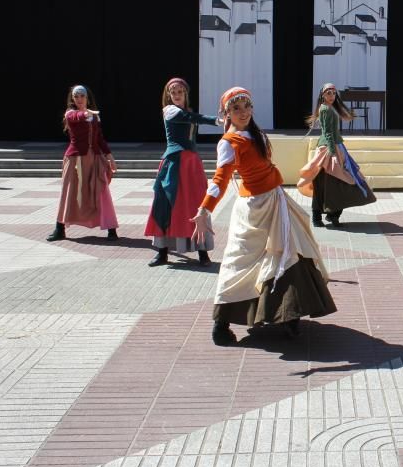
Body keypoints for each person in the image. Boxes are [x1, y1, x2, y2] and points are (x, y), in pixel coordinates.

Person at [192, 87, 336, 346]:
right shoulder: (228, 142)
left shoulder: (256, 134)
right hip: (253, 209)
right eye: (236, 108)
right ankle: (221, 322)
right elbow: (220, 180)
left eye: (246, 106)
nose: (243, 112)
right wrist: (204, 209)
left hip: (276, 201)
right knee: (241, 260)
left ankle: (289, 315)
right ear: (226, 113)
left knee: (291, 252)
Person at [145, 77, 222, 268]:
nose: (177, 94)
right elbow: (190, 119)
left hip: (191, 165)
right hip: (173, 163)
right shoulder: (170, 111)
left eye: (180, 91)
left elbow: (191, 117)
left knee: (197, 205)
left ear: (185, 93)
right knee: (166, 204)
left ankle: (202, 252)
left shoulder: (188, 112)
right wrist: (217, 120)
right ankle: (162, 253)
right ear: (169, 95)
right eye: (173, 92)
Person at [47, 85, 119, 241]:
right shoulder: (70, 114)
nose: (79, 99)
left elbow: (99, 139)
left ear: (87, 97)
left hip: (94, 159)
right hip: (75, 160)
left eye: (82, 96)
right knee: (68, 192)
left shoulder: (94, 117)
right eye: (76, 96)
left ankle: (111, 229)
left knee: (101, 191)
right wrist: (87, 113)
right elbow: (76, 117)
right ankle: (59, 228)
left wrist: (110, 157)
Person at [299, 83, 376, 227]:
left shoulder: (330, 108)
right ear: (323, 95)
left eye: (333, 93)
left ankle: (331, 215)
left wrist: (336, 150)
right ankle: (322, 216)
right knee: (330, 182)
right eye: (328, 93)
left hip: (336, 147)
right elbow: (327, 132)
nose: (331, 96)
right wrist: (332, 152)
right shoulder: (325, 109)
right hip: (328, 149)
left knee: (337, 181)